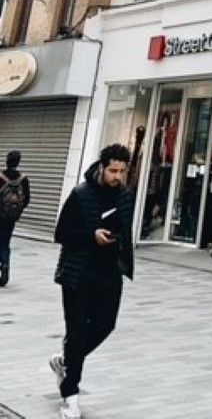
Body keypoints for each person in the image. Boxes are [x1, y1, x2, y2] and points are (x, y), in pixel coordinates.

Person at [50, 144, 134, 419]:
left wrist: (118, 242)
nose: (117, 176)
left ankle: (65, 362)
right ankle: (70, 397)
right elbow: (61, 233)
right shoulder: (81, 194)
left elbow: (125, 231)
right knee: (76, 333)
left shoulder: (125, 196)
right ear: (102, 167)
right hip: (78, 275)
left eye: (122, 171)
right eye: (113, 170)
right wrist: (91, 235)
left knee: (105, 325)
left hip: (109, 274)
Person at [0, 149, 31, 286]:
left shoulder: (0, 177)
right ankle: (5, 265)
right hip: (11, 218)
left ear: (7, 161)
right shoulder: (23, 179)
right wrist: (17, 212)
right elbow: (27, 199)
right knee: (5, 242)